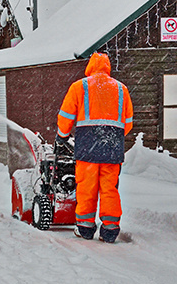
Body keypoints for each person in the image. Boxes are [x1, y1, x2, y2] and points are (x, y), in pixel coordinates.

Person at [56, 52, 133, 243]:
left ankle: (85, 227)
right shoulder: (122, 89)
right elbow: (128, 122)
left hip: (87, 147)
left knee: (87, 187)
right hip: (112, 147)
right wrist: (111, 137)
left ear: (90, 67)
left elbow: (66, 115)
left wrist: (62, 136)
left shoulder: (80, 86)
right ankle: (110, 229)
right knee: (109, 189)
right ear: (108, 68)